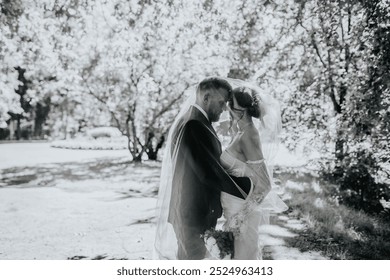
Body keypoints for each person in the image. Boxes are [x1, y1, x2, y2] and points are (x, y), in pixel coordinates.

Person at [154, 77, 252, 260]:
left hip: (194, 213)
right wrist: (248, 189)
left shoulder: (197, 121)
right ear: (206, 98)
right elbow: (209, 173)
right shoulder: (194, 125)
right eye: (222, 103)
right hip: (192, 216)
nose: (224, 109)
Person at [219, 85, 288, 259]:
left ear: (240, 110)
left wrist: (239, 218)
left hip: (243, 215)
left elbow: (264, 184)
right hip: (233, 209)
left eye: (229, 103)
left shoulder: (249, 135)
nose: (226, 106)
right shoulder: (240, 132)